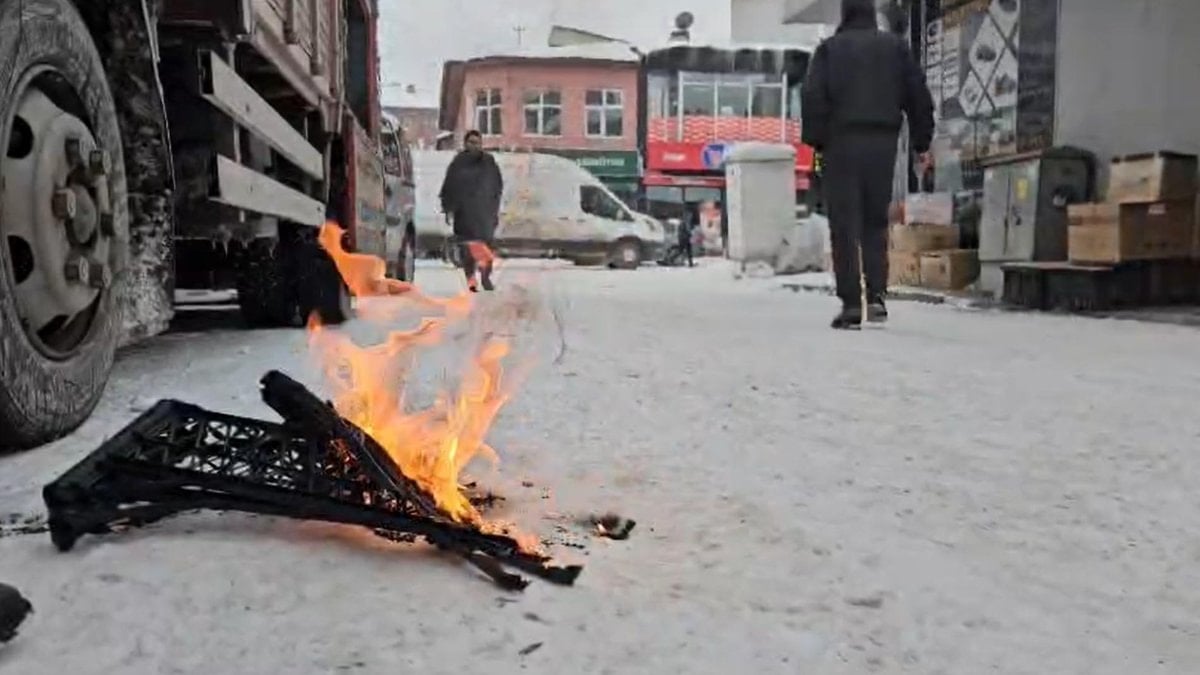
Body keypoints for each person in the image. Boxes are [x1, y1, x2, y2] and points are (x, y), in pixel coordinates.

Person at [801, 0, 935, 329]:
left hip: (841, 145)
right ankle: (876, 297)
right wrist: (922, 143)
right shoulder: (895, 48)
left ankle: (850, 304)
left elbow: (813, 96)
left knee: (844, 225)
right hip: (883, 143)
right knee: (875, 221)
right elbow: (917, 93)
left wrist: (818, 142)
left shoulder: (829, 50)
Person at [439, 130, 503, 291]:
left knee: (486, 248)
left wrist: (494, 207)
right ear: (465, 144)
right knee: (468, 250)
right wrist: (448, 209)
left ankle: (486, 277)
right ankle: (471, 280)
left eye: (476, 142)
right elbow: (449, 186)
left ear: (481, 144)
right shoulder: (458, 163)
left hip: (484, 214)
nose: (473, 145)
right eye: (470, 142)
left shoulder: (488, 162)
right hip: (464, 214)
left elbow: (497, 186)